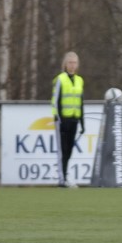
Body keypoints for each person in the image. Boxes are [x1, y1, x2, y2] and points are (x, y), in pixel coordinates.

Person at [51, 51, 85, 187]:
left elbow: (81, 102)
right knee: (62, 150)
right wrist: (58, 118)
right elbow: (55, 100)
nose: (72, 65)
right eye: (70, 63)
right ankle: (62, 179)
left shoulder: (80, 80)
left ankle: (65, 176)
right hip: (62, 120)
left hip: (74, 120)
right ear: (65, 64)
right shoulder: (60, 79)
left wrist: (82, 122)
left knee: (69, 150)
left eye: (74, 63)